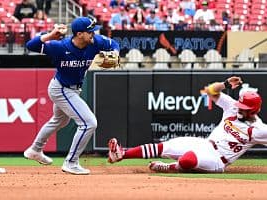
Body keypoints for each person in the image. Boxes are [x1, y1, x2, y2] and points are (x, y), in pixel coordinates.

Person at [108, 76, 267, 173]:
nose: (240, 109)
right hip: (205, 144)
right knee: (164, 146)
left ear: (253, 111)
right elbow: (210, 90)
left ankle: (170, 167)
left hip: (217, 160)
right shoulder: (232, 107)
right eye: (240, 106)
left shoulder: (259, 130)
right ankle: (121, 154)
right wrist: (225, 83)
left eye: (244, 108)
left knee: (187, 160)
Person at [24, 17, 120, 175]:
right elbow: (30, 45)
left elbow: (113, 44)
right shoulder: (60, 47)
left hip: (73, 89)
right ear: (80, 34)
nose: (93, 34)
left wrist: (115, 54)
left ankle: (35, 149)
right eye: (90, 32)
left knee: (59, 121)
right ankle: (71, 162)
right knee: (89, 123)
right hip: (61, 89)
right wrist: (50, 35)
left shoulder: (95, 42)